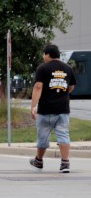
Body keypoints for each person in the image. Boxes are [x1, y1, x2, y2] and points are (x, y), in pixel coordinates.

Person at [29, 43, 76, 173]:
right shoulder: (68, 68)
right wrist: (62, 92)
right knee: (63, 135)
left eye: (44, 54)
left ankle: (39, 160)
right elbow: (71, 87)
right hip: (63, 108)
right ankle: (65, 163)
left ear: (48, 54)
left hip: (46, 109)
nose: (43, 56)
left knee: (43, 136)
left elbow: (38, 87)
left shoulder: (42, 68)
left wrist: (33, 106)